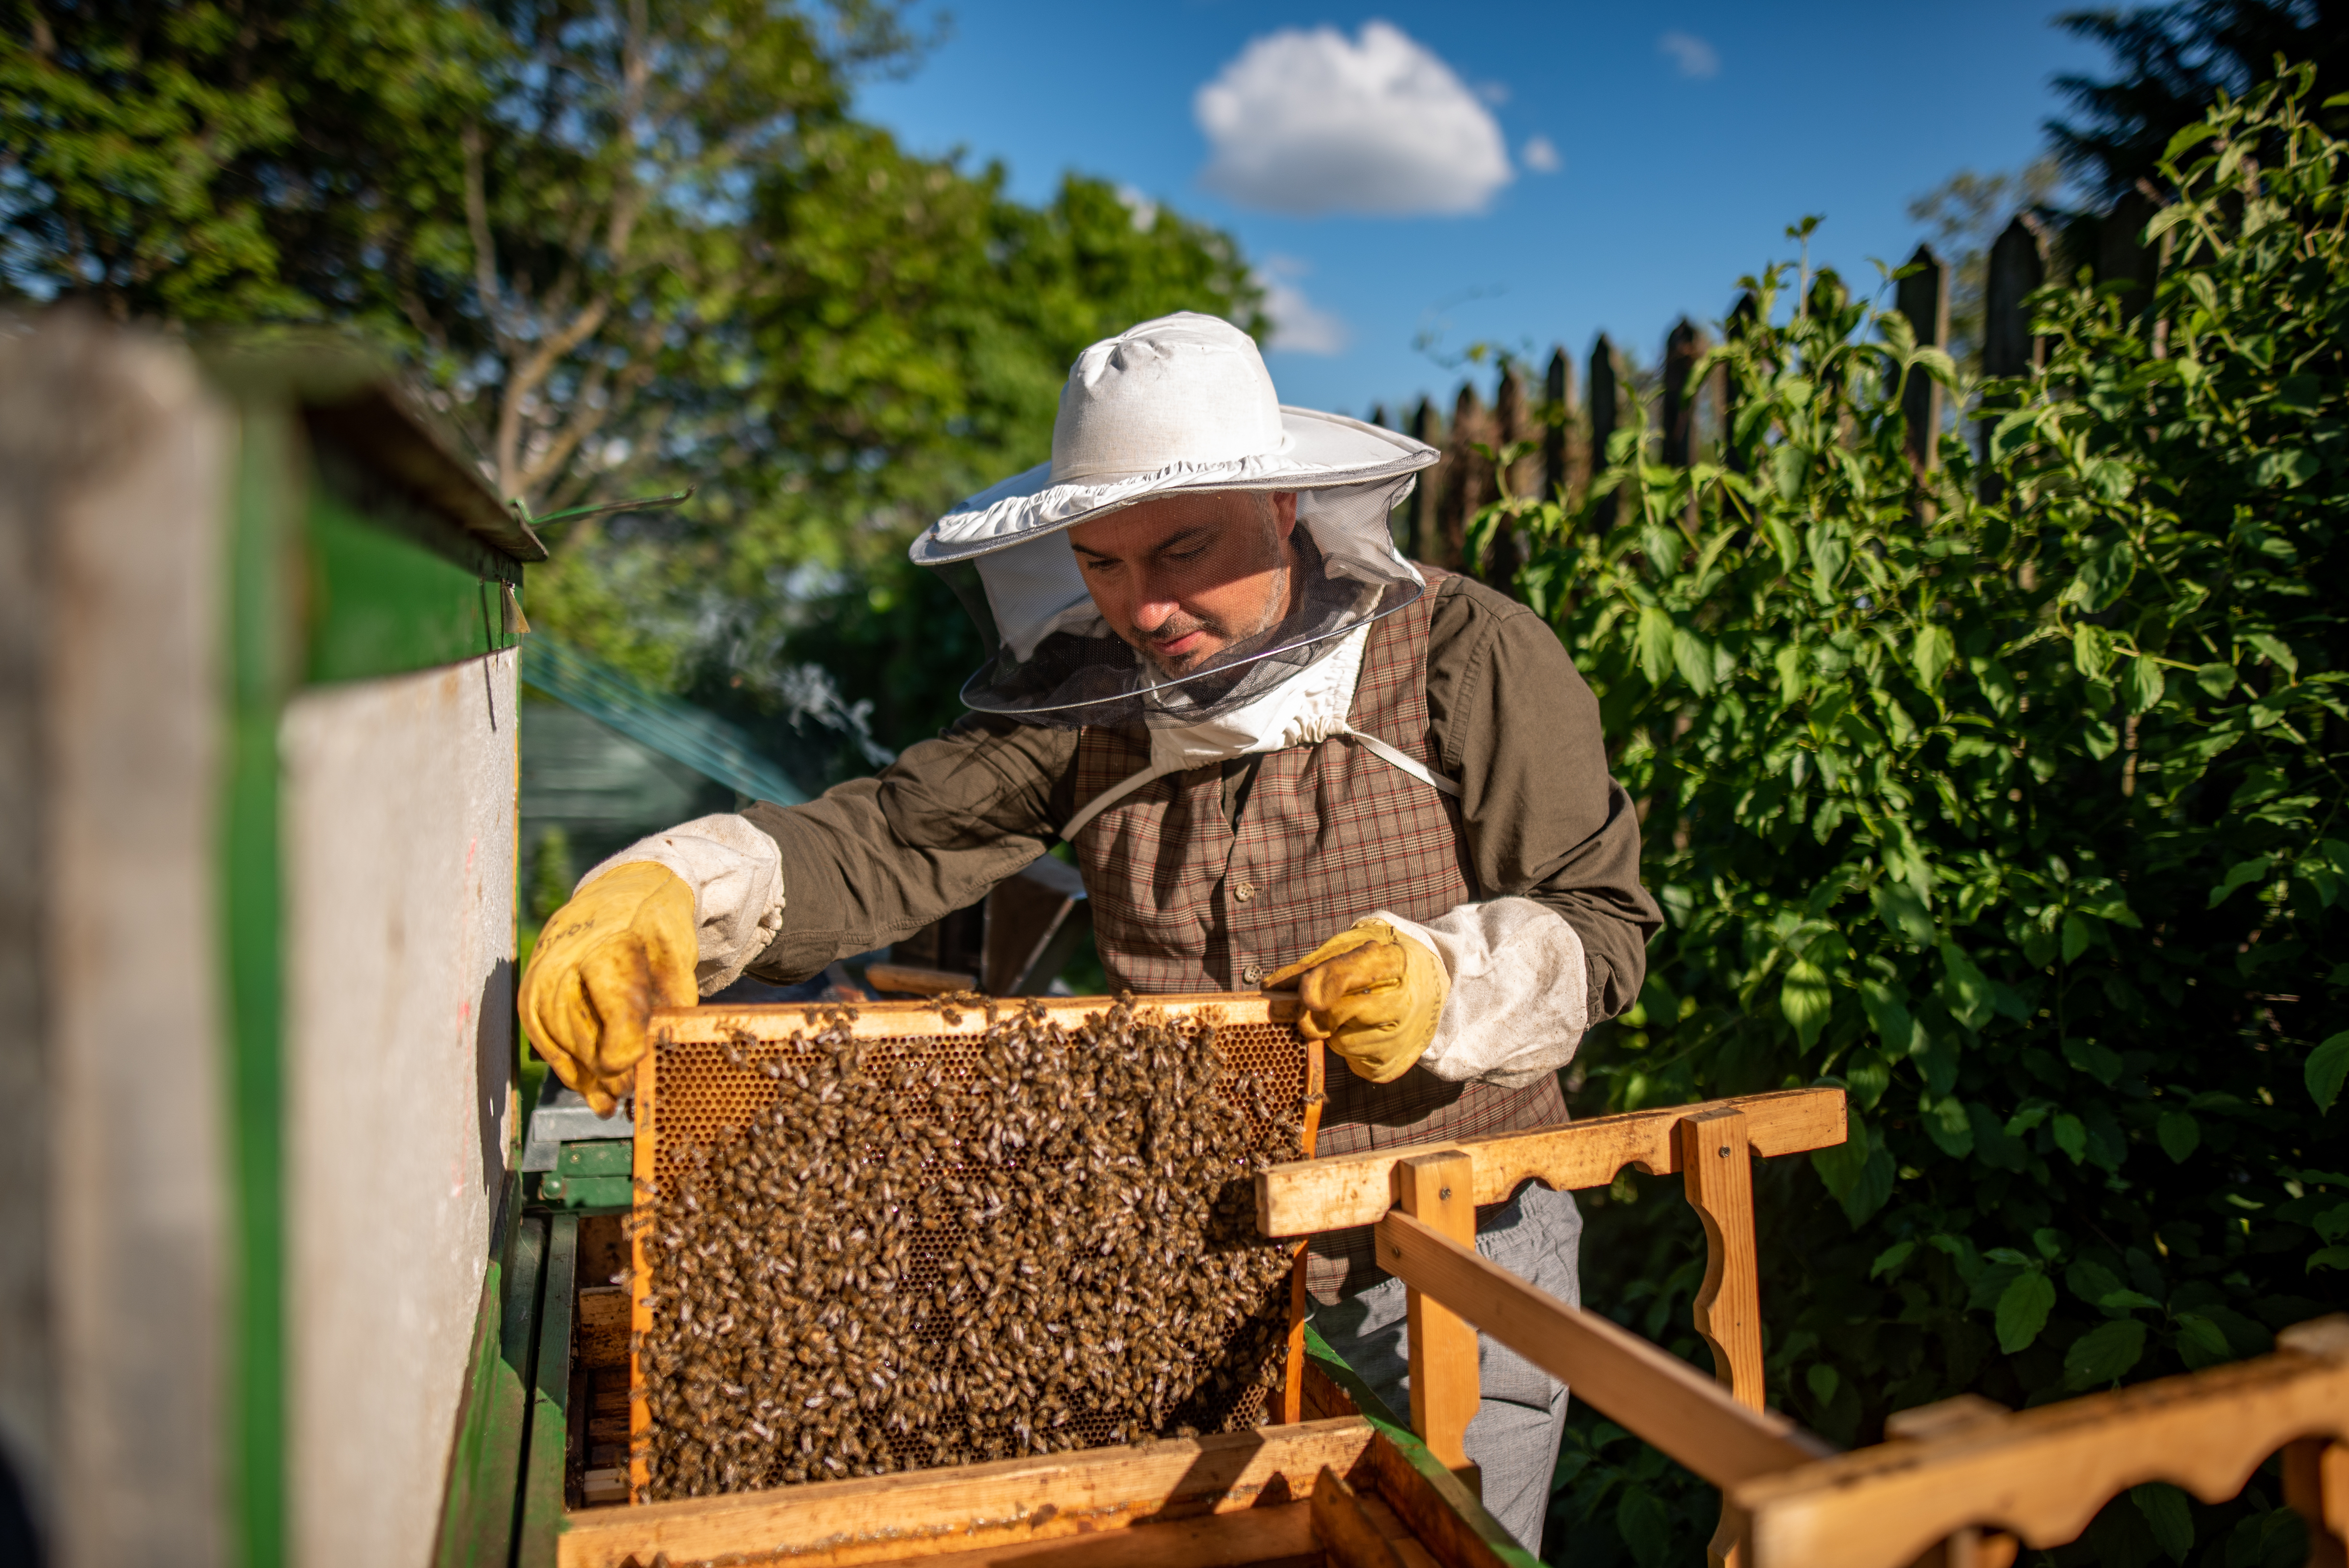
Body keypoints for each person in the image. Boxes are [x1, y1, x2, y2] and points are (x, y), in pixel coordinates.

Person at [519, 312, 1660, 1547]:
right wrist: (680, 883)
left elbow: (1602, 925)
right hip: (1198, 1260)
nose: (1145, 607)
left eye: (1181, 551)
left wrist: (1450, 981)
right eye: (1102, 563)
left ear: (1282, 505)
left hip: (1453, 1253)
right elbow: (896, 837)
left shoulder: (1466, 652)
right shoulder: (1084, 700)